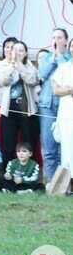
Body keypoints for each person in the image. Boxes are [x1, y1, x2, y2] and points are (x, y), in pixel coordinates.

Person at [0, 41, 39, 164]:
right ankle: (8, 175)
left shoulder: (30, 66)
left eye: (20, 50)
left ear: (26, 53)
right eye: (15, 50)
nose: (17, 52)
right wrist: (12, 66)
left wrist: (20, 66)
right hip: (9, 110)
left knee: (28, 145)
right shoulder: (5, 65)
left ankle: (29, 175)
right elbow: (1, 81)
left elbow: (32, 80)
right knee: (8, 145)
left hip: (27, 110)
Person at [38, 28, 70, 182]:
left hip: (66, 107)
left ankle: (65, 181)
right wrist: (53, 58)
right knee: (49, 145)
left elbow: (67, 77)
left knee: (64, 145)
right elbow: (42, 74)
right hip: (47, 105)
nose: (56, 40)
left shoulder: (69, 59)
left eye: (59, 37)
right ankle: (51, 182)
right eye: (53, 37)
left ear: (66, 40)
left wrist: (61, 57)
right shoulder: (46, 58)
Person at [50, 41, 73, 190]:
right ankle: (68, 182)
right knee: (67, 145)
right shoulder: (64, 67)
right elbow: (55, 90)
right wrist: (69, 91)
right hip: (67, 111)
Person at [0, 36, 18, 135]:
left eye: (12, 47)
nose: (9, 50)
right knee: (3, 134)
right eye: (6, 47)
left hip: (19, 105)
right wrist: (11, 65)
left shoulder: (22, 64)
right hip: (1, 104)